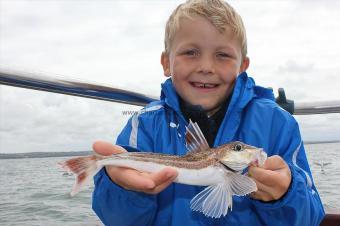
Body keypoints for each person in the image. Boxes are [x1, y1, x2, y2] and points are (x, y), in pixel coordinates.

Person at [92, 0, 325, 225]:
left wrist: (285, 195)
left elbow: (310, 218)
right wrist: (119, 186)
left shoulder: (277, 124)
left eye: (223, 55)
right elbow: (116, 220)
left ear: (242, 66)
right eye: (190, 52)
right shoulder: (144, 125)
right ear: (166, 63)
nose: (206, 67)